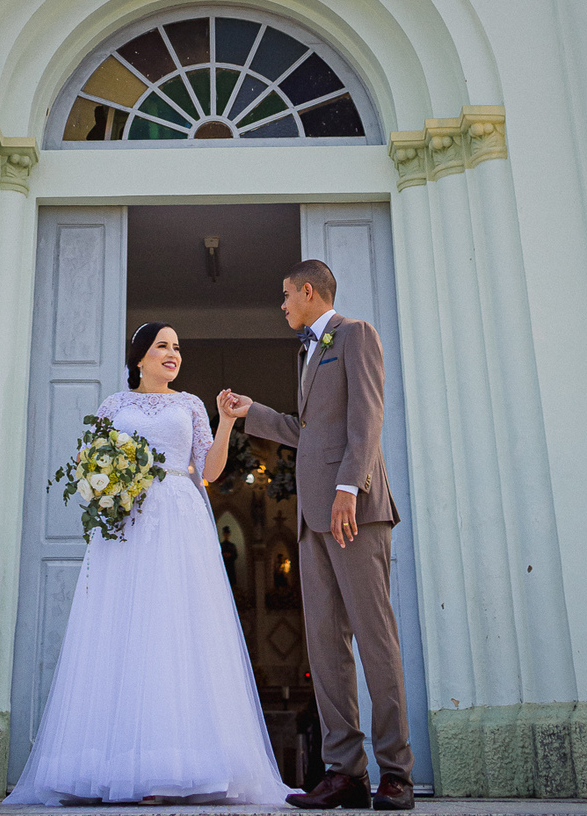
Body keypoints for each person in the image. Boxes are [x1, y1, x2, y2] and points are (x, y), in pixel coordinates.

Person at [5, 322, 292, 806]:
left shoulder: (190, 405)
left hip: (179, 520)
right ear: (140, 357)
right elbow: (90, 463)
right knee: (121, 630)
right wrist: (105, 482)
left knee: (176, 632)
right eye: (163, 346)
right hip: (128, 525)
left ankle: (175, 766)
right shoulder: (115, 406)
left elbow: (209, 472)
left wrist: (225, 423)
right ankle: (113, 765)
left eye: (177, 347)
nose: (172, 354)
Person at [221, 261, 416, 811]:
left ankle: (396, 772)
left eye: (285, 295)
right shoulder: (305, 352)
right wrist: (249, 412)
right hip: (312, 520)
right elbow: (302, 433)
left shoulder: (354, 334)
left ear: (309, 292)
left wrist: (350, 488)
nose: (281, 306)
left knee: (375, 642)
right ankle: (345, 772)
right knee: (326, 647)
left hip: (354, 512)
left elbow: (367, 418)